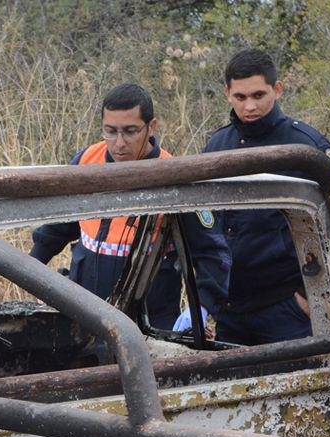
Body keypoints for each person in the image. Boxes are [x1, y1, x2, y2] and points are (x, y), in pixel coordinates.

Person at [29, 83, 227, 334]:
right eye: (110, 131)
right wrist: (31, 265)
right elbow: (59, 224)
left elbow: (212, 253)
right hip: (85, 312)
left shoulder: (175, 177)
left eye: (130, 132)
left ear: (151, 127)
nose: (119, 143)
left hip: (150, 323)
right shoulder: (86, 162)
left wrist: (202, 307)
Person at [203, 49, 330, 345]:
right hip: (229, 308)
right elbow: (204, 222)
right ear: (227, 93)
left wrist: (308, 298)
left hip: (286, 307)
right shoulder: (218, 145)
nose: (250, 106)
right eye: (240, 97)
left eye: (258, 95)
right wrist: (203, 299)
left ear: (277, 90)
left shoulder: (306, 147)